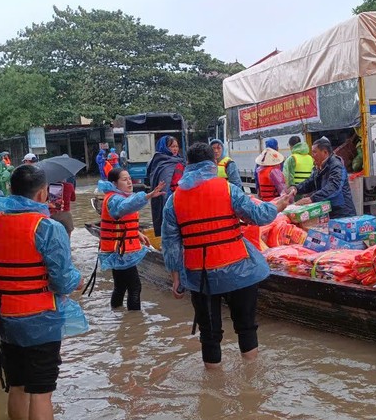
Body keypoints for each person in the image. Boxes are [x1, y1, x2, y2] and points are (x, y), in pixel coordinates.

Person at [161, 143, 290, 368]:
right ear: (213, 164)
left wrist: (176, 279)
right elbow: (258, 216)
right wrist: (278, 205)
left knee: (209, 334)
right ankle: (251, 379)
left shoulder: (173, 200)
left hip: (200, 276)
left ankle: (213, 389)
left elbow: (170, 244)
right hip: (238, 268)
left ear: (188, 165)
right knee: (246, 326)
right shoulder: (229, 189)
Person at [0, 165, 87, 420]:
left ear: (11, 190)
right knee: (40, 392)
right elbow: (61, 281)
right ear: (42, 194)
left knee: (16, 383)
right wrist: (78, 280)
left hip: (4, 316)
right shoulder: (47, 227)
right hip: (39, 318)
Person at [99, 168, 164, 310]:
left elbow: (123, 219)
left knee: (120, 286)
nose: (129, 182)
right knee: (135, 287)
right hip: (121, 251)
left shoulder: (118, 196)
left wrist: (136, 232)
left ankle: (118, 316)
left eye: (129, 178)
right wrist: (148, 196)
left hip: (119, 249)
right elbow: (125, 207)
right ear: (114, 184)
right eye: (124, 179)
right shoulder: (115, 199)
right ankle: (135, 323)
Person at [289, 137, 357, 218]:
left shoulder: (336, 165)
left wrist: (312, 198)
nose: (312, 156)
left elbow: (334, 186)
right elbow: (311, 182)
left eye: (314, 152)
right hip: (329, 211)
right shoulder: (320, 166)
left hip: (343, 213)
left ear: (325, 152)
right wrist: (296, 188)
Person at [146, 136, 186, 237]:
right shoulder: (160, 162)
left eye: (177, 146)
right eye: (172, 146)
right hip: (170, 199)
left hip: (181, 198)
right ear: (164, 147)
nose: (175, 149)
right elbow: (163, 184)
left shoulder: (179, 161)